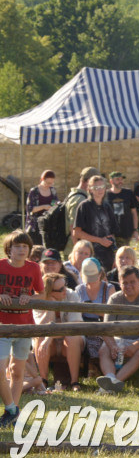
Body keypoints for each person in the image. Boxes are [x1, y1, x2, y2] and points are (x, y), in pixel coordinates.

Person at [0, 230, 44, 428]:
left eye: (25, 247)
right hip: (2, 326)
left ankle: (13, 413)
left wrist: (30, 298)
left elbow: (42, 294)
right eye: (17, 246)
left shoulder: (34, 268)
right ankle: (11, 408)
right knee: (0, 370)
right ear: (9, 249)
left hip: (24, 326)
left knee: (17, 371)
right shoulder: (0, 266)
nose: (21, 250)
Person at [96, 266, 139, 393]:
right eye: (125, 283)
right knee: (104, 349)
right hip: (120, 339)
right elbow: (106, 329)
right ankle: (110, 378)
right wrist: (113, 346)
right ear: (120, 283)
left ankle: (112, 385)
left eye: (132, 282)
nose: (128, 286)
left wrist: (135, 346)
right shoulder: (114, 299)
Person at [32, 272, 83, 392]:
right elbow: (40, 329)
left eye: (65, 285)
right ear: (49, 292)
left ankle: (74, 381)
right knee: (39, 339)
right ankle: (43, 380)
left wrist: (49, 337)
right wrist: (50, 306)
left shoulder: (72, 295)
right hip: (50, 344)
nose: (65, 290)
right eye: (60, 289)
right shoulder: (39, 299)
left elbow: (73, 327)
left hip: (69, 341)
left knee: (72, 337)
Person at [72, 175, 118, 272]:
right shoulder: (84, 206)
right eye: (96, 187)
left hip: (107, 255)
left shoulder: (107, 207)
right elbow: (77, 233)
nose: (99, 190)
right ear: (90, 189)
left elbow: (112, 234)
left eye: (102, 187)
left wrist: (115, 255)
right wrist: (99, 240)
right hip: (89, 255)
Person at [73, 257, 115, 362]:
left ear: (100, 274)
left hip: (103, 327)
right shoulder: (79, 289)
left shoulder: (109, 288)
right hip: (83, 327)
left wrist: (88, 308)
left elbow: (112, 314)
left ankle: (95, 365)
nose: (90, 282)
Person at [62, 167, 101, 255]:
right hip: (76, 250)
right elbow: (73, 228)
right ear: (88, 182)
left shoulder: (78, 196)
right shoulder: (79, 199)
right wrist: (78, 252)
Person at [25, 170, 58, 247]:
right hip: (35, 226)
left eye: (51, 183)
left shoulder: (53, 190)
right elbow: (30, 209)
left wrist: (54, 205)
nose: (49, 185)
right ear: (42, 180)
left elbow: (55, 201)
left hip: (48, 224)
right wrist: (44, 207)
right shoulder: (34, 191)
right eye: (47, 183)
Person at [105, 171, 139, 246]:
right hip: (110, 233)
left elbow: (134, 213)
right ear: (111, 181)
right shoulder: (105, 195)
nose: (120, 182)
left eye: (121, 179)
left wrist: (135, 230)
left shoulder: (128, 193)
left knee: (124, 255)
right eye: (117, 179)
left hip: (126, 232)